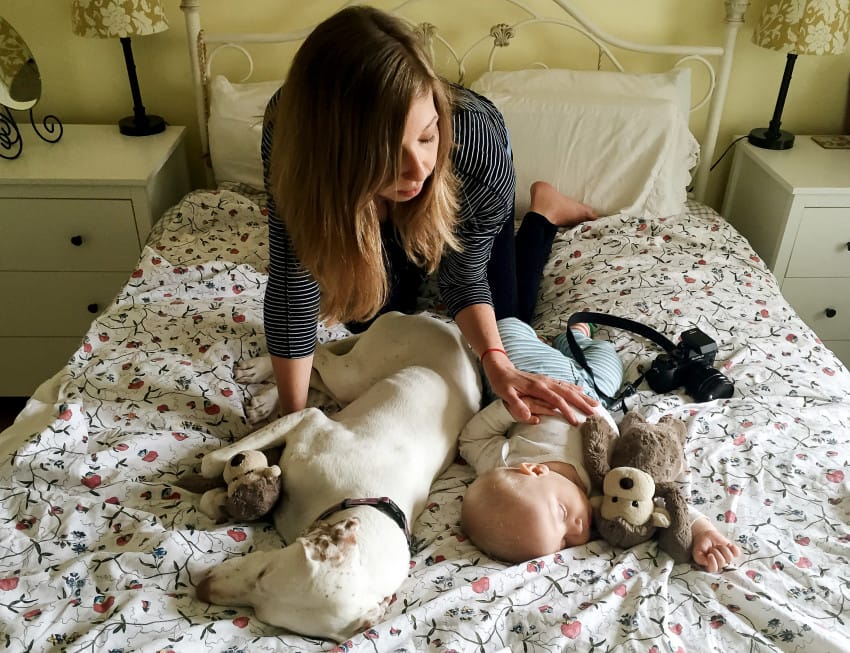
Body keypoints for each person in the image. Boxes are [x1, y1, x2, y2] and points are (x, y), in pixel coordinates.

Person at [260, 5, 598, 425]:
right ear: (331, 152)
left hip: (463, 187)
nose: (418, 167)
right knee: (371, 320)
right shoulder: (291, 133)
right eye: (386, 154)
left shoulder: (476, 148)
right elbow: (294, 276)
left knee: (511, 320)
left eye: (426, 135)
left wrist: (497, 362)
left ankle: (543, 213)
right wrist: (292, 421)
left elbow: (463, 278)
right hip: (360, 200)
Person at [459, 322, 741, 570]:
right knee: (608, 361)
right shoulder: (603, 494)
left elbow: (471, 440)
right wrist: (700, 529)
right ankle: (577, 335)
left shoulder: (506, 465)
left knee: (507, 329)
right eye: (564, 542)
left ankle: (539, 335)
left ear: (533, 470)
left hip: (533, 375)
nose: (578, 530)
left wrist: (511, 410)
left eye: (562, 514)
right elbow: (649, 497)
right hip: (593, 391)